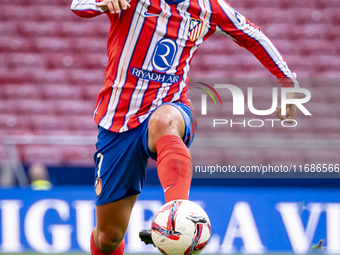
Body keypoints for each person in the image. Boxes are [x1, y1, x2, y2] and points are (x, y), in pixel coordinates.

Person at [71, 0, 298, 254]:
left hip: (172, 105)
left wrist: (288, 82)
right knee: (108, 237)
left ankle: (179, 220)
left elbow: (252, 35)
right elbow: (79, 6)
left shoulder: (208, 7)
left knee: (163, 121)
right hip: (117, 122)